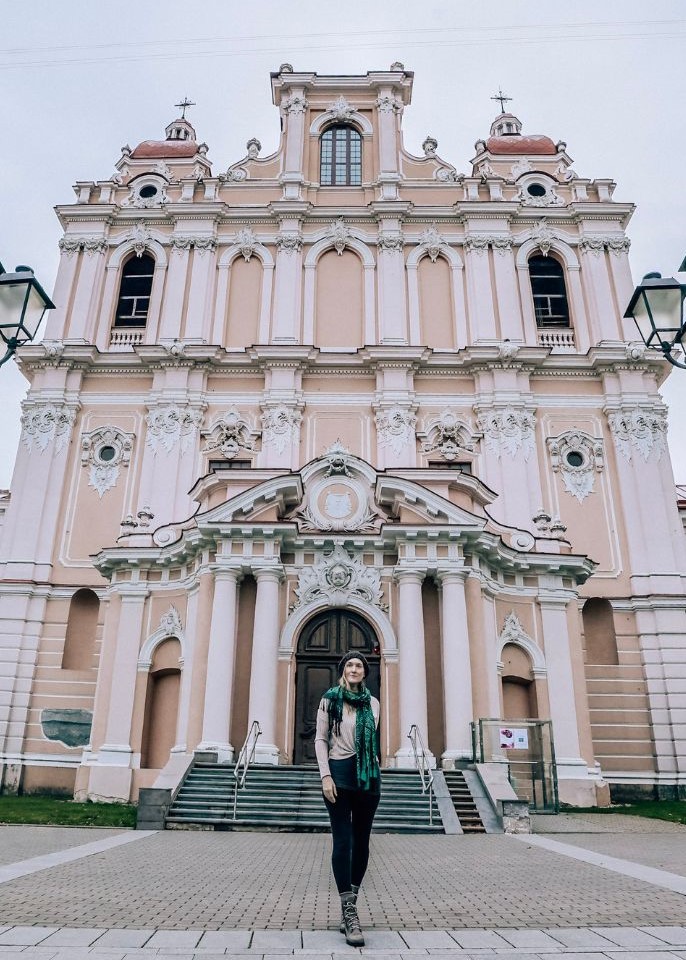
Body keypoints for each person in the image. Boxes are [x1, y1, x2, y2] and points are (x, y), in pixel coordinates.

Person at [315, 651, 381, 947]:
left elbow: (371, 741)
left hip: (368, 776)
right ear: (343, 670)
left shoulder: (373, 703)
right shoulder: (330, 700)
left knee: (362, 841)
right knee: (342, 841)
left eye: (359, 666)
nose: (354, 669)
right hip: (339, 772)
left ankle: (350, 904)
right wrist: (325, 775)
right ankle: (350, 910)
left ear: (365, 672)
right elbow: (320, 738)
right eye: (350, 665)